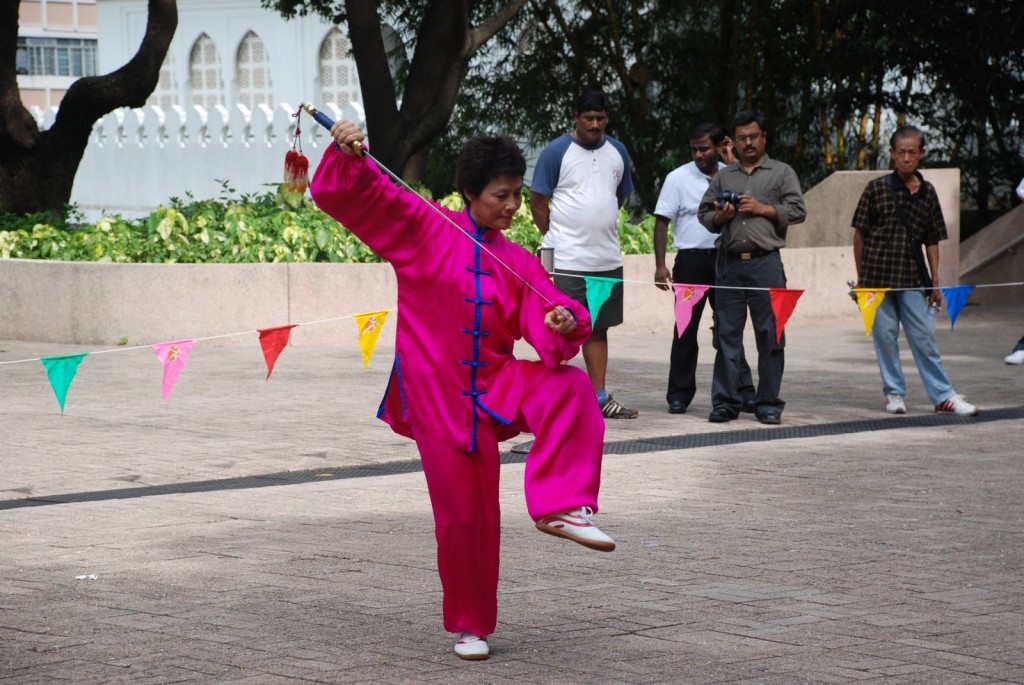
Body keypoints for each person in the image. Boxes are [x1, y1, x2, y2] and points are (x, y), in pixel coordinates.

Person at [310, 121, 615, 662]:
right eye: (502, 195)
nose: (514, 206)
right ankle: (470, 625)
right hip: (439, 398)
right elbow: (364, 196)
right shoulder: (426, 227)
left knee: (570, 386)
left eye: (519, 194)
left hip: (497, 385)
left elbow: (550, 312)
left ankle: (562, 505)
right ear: (470, 194)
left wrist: (566, 320)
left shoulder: (516, 259)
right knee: (465, 519)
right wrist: (348, 152)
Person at [851, 125, 978, 415]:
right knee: (884, 337)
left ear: (921, 154)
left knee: (923, 337)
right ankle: (893, 393)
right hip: (876, 279)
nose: (906, 158)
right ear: (892, 154)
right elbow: (859, 235)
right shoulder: (876, 189)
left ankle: (943, 395)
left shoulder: (928, 192)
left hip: (911, 278)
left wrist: (935, 283)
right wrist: (861, 281)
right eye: (900, 152)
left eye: (912, 152)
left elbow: (932, 240)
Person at [530, 89, 638, 419]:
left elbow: (619, 197)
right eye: (588, 118)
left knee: (598, 328)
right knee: (560, 327)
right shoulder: (556, 152)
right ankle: (553, 400)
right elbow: (538, 202)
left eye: (600, 118)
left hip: (606, 259)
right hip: (565, 261)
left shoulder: (618, 151)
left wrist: (597, 224)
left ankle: (600, 397)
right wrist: (557, 236)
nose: (594, 124)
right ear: (576, 118)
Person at [698, 110, 807, 425]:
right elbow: (704, 214)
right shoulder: (724, 176)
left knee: (771, 334)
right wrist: (721, 217)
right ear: (735, 140)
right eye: (742, 137)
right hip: (729, 265)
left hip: (766, 263)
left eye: (753, 136)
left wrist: (763, 208)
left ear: (764, 138)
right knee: (726, 334)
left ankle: (769, 403)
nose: (748, 143)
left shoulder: (781, 172)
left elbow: (799, 210)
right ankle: (726, 402)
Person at [653, 123, 756, 415]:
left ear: (718, 146)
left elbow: (750, 198)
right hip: (690, 262)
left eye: (705, 148)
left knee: (730, 328)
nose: (699, 154)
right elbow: (662, 222)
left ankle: (743, 391)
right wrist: (660, 265)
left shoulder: (732, 174)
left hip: (726, 261)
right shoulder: (677, 178)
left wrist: (732, 157)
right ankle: (678, 394)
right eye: (694, 149)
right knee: (685, 329)